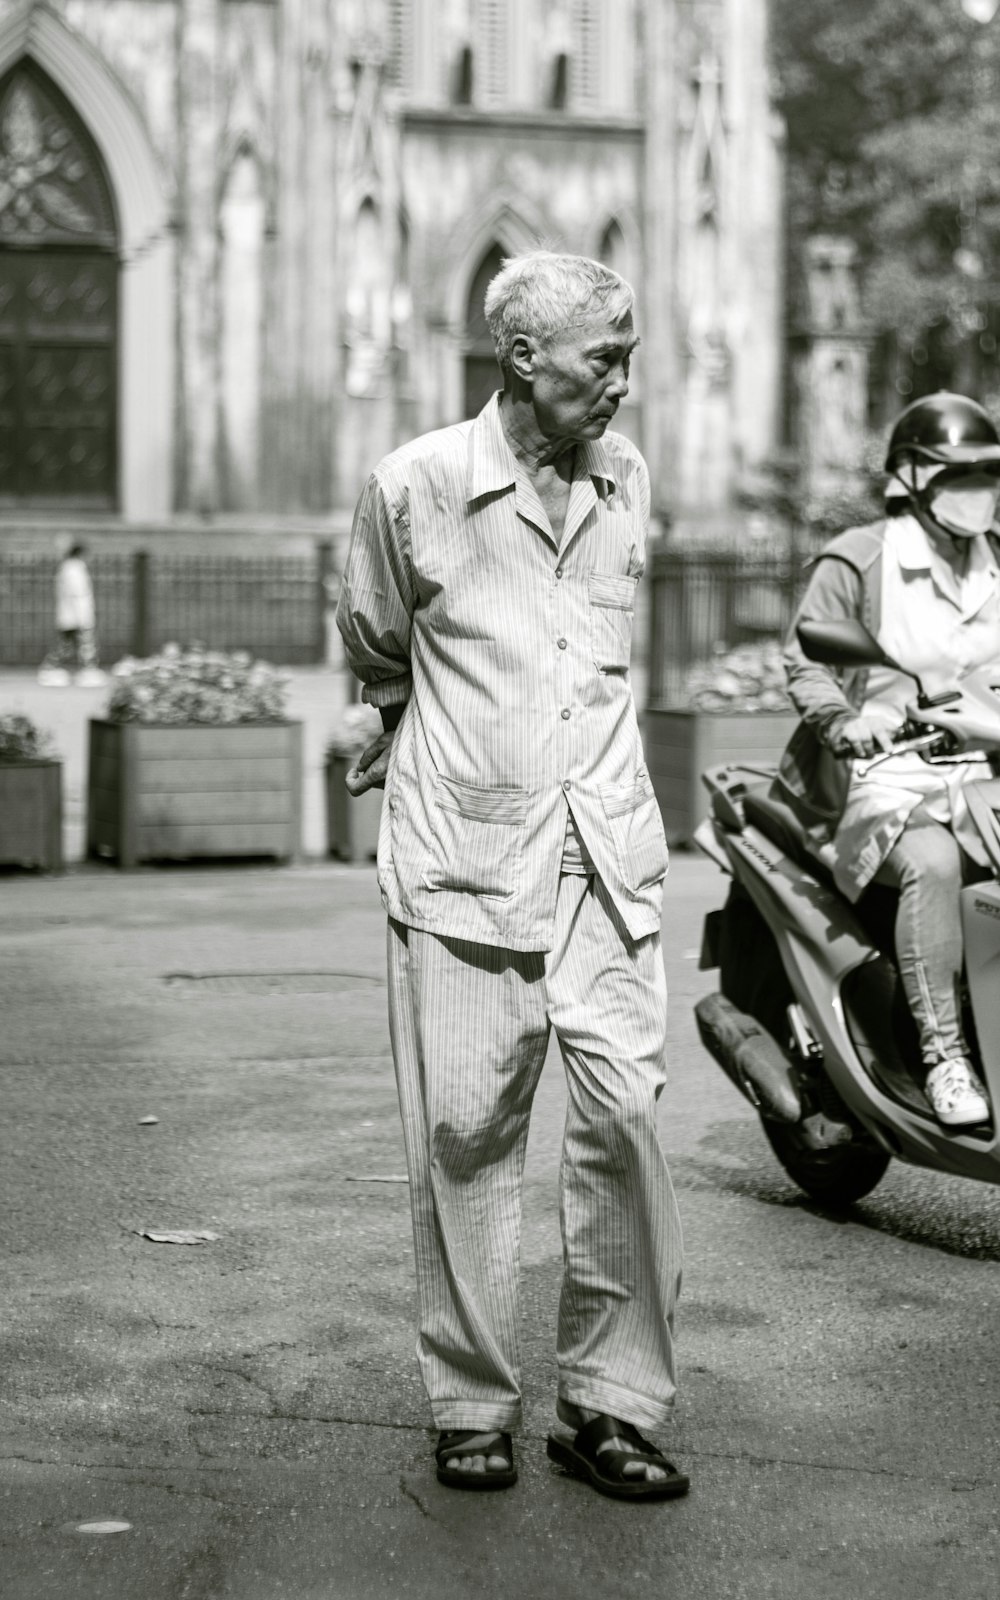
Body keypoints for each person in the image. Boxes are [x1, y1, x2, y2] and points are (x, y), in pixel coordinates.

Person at [336, 251, 687, 1501]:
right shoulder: (416, 485)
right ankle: (472, 1399)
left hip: (605, 852)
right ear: (523, 358)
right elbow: (377, 638)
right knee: (466, 1132)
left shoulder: (626, 478)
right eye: (607, 358)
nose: (626, 383)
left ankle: (609, 1402)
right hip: (467, 855)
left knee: (626, 1121)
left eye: (631, 355)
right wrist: (400, 719)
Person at [779, 391, 1000, 1127]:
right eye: (957, 476)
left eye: (985, 476)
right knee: (933, 864)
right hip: (880, 776)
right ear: (910, 477)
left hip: (981, 768)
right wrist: (846, 721)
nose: (976, 493)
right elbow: (807, 654)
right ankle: (945, 1059)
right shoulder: (862, 558)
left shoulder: (996, 561)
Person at [40, 543, 104, 687]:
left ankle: (51, 668)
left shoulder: (68, 567)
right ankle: (88, 671)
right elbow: (77, 593)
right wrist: (83, 617)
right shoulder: (74, 569)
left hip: (70, 615)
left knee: (68, 645)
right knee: (85, 645)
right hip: (78, 615)